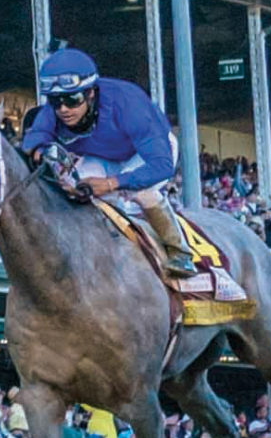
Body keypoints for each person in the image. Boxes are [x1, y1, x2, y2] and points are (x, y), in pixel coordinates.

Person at [19, 47, 196, 278]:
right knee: (77, 189)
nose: (63, 109)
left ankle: (179, 251)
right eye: (55, 101)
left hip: (145, 155)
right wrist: (41, 151)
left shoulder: (129, 103)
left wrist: (112, 183)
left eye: (72, 100)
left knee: (142, 193)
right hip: (102, 155)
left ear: (91, 93)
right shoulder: (55, 110)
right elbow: (34, 138)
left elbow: (161, 166)